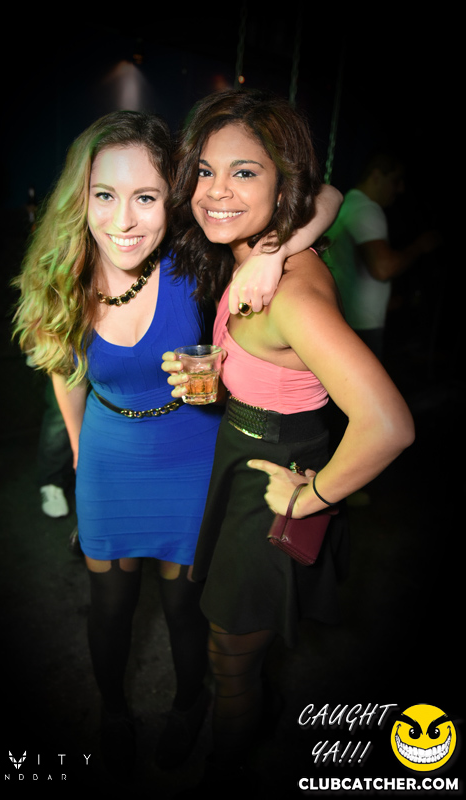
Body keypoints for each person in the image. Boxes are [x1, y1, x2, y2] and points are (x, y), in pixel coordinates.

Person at [13, 109, 342, 776]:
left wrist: (273, 253)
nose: (123, 220)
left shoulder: (197, 261)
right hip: (106, 453)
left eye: (146, 197)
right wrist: (78, 451)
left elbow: (329, 195)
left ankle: (189, 705)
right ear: (80, 198)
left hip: (190, 454)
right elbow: (62, 375)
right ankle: (113, 711)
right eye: (104, 195)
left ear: (173, 198)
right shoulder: (64, 273)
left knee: (183, 605)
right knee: (109, 605)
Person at [162, 89, 415, 787]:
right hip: (244, 450)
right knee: (230, 643)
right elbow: (327, 195)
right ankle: (250, 718)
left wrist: (311, 498)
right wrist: (218, 380)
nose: (215, 191)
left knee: (230, 659)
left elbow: (390, 424)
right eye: (205, 171)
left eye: (244, 172)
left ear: (283, 185)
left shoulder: (293, 294)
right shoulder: (253, 253)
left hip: (274, 478)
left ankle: (229, 764)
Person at [323, 150, 440, 360]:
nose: (400, 189)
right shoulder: (367, 209)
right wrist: (420, 247)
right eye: (396, 181)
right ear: (376, 176)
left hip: (343, 320)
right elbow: (383, 268)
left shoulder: (348, 204)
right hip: (361, 328)